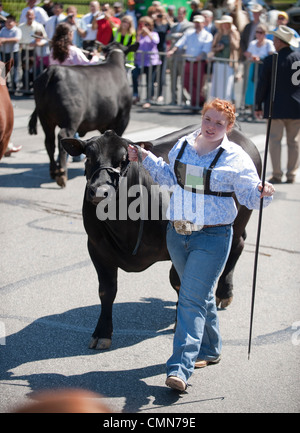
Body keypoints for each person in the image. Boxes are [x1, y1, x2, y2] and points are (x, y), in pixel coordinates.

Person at [128, 98, 275, 391]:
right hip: (177, 234)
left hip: (213, 237)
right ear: (202, 118)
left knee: (189, 299)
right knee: (202, 295)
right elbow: (169, 178)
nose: (212, 126)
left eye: (219, 123)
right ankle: (211, 348)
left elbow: (249, 197)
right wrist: (144, 157)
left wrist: (262, 191)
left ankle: (179, 369)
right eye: (208, 120)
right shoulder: (183, 145)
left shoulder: (236, 157)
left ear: (229, 127)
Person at [255, 25, 300, 184]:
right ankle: (291, 173)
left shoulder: (271, 60)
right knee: (293, 142)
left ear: (280, 42)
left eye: (275, 39)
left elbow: (263, 85)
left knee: (275, 141)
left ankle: (277, 173)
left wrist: (258, 105)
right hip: (296, 107)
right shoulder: (298, 58)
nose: (273, 41)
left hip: (275, 106)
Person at [167, 15, 213, 108]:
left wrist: (200, 56)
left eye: (199, 22)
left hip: (199, 63)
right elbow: (180, 42)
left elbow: (206, 49)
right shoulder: (189, 33)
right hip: (189, 62)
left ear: (203, 23)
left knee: (198, 84)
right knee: (186, 82)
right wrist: (172, 50)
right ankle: (199, 100)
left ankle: (197, 102)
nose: (197, 24)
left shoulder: (207, 35)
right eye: (196, 22)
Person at [209, 15, 240, 102]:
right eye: (224, 23)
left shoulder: (234, 34)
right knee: (217, 85)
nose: (225, 25)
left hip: (229, 63)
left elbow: (236, 46)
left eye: (227, 24)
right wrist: (218, 48)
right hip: (218, 62)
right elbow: (212, 48)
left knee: (227, 86)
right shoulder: (218, 34)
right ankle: (217, 104)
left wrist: (230, 35)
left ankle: (227, 105)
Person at [132, 16, 161, 108]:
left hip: (151, 62)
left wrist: (148, 32)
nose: (144, 26)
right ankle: (136, 95)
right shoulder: (138, 35)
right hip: (140, 61)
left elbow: (156, 42)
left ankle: (149, 99)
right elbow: (136, 45)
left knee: (150, 81)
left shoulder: (154, 34)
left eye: (146, 24)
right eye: (142, 24)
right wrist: (138, 34)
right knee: (134, 75)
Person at [166, 6, 193, 105]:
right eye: (178, 13)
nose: (180, 15)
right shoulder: (174, 25)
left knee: (184, 80)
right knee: (173, 79)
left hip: (182, 56)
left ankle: (185, 98)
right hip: (173, 56)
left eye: (181, 13)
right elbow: (168, 36)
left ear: (185, 14)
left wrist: (177, 36)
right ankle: (174, 99)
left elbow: (186, 36)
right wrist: (176, 35)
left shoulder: (189, 25)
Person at [244, 23, 275, 107]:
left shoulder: (269, 43)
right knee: (252, 86)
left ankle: (261, 105)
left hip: (264, 68)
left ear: (265, 34)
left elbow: (271, 55)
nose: (258, 34)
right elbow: (248, 55)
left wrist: (260, 59)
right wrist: (252, 58)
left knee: (262, 86)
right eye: (257, 32)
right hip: (254, 67)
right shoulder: (253, 43)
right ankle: (252, 106)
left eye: (261, 32)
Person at [19, 9, 47, 89]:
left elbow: (44, 38)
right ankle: (25, 85)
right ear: (26, 16)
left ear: (34, 16)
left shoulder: (39, 26)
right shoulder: (21, 26)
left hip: (35, 51)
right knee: (25, 68)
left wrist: (37, 43)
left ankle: (34, 85)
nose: (30, 16)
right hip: (25, 50)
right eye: (28, 15)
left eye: (31, 15)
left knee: (35, 69)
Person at [153, 5, 171, 103]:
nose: (159, 14)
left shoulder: (166, 23)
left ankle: (160, 94)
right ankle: (151, 95)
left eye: (161, 12)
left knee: (162, 74)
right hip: (153, 51)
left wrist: (166, 17)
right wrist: (153, 19)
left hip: (162, 50)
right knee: (153, 73)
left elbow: (173, 26)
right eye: (157, 12)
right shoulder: (153, 23)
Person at [0, 14, 22, 92]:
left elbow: (16, 39)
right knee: (4, 69)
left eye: (10, 21)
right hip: (4, 52)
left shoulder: (17, 30)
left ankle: (15, 84)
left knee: (15, 69)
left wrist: (5, 40)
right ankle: (6, 84)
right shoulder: (3, 30)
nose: (8, 23)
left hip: (14, 52)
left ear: (14, 22)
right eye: (7, 21)